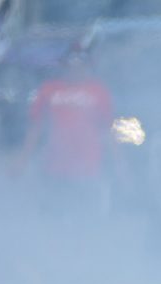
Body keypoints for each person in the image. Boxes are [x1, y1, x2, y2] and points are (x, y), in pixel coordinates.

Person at [22, 48, 115, 214]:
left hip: (88, 164)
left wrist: (120, 164)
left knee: (84, 212)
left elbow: (106, 130)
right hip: (55, 162)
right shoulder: (49, 90)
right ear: (64, 67)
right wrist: (23, 158)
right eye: (71, 66)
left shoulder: (98, 92)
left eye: (80, 66)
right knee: (54, 211)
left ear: (88, 67)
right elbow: (36, 126)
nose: (75, 70)